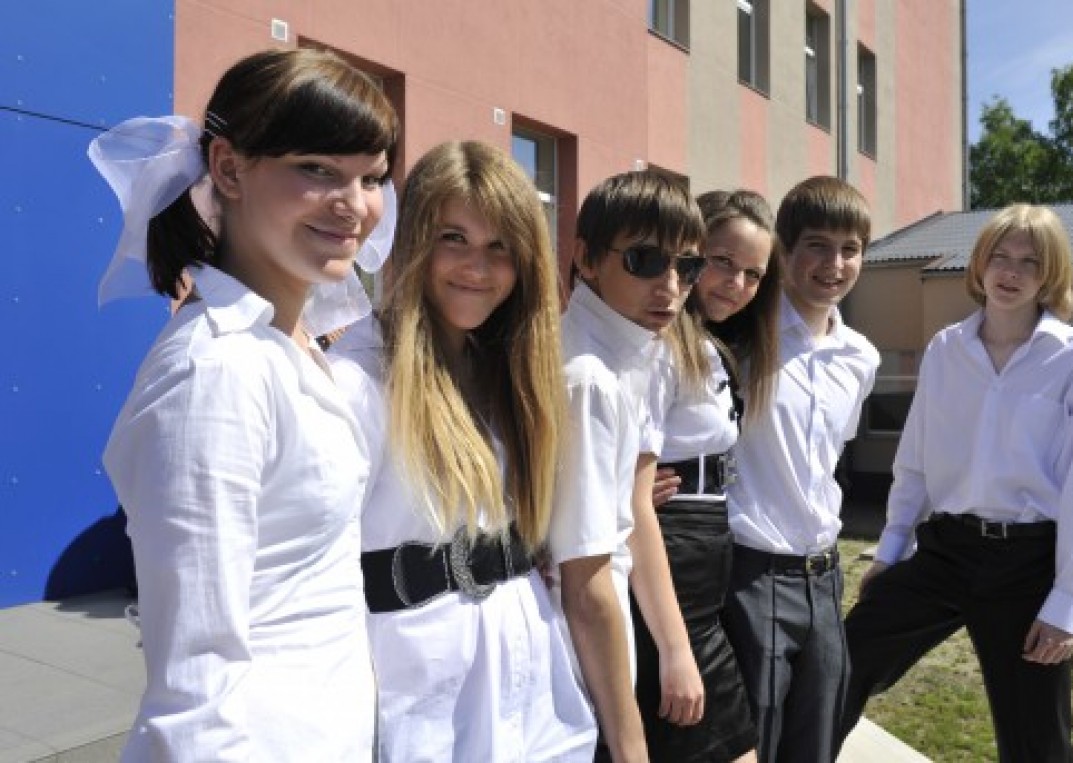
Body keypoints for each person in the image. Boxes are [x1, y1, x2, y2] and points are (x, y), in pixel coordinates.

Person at [97, 48, 399, 761]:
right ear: (229, 169)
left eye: (372, 177)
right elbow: (193, 691)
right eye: (317, 169)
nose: (354, 205)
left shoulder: (289, 345)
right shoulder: (215, 370)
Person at [328, 140, 597, 762]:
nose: (478, 266)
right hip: (422, 704)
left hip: (533, 693)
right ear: (415, 239)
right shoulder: (357, 379)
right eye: (454, 238)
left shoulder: (506, 374)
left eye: (500, 246)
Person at [837, 203, 1073, 763]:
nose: (1010, 272)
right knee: (839, 668)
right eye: (999, 256)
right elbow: (916, 459)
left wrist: (1067, 602)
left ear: (1050, 274)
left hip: (1028, 566)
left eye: (1029, 262)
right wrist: (891, 551)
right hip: (946, 551)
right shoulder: (947, 350)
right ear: (980, 264)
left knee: (1036, 741)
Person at [720, 176, 880, 763]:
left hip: (824, 579)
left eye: (849, 249)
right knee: (753, 744)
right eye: (817, 245)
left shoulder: (860, 358)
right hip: (750, 575)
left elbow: (826, 460)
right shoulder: (742, 337)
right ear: (784, 249)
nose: (834, 265)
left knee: (815, 746)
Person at [550, 171, 708, 763]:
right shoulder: (589, 379)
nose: (670, 286)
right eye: (645, 260)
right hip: (572, 662)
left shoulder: (639, 353)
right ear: (586, 258)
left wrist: (674, 647)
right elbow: (585, 582)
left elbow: (634, 509)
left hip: (597, 646)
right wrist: (630, 743)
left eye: (687, 267)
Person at [634, 189, 782, 762]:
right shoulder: (656, 344)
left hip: (706, 561)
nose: (736, 284)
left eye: (753, 274)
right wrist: (624, 493)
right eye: (722, 262)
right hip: (669, 562)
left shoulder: (710, 344)